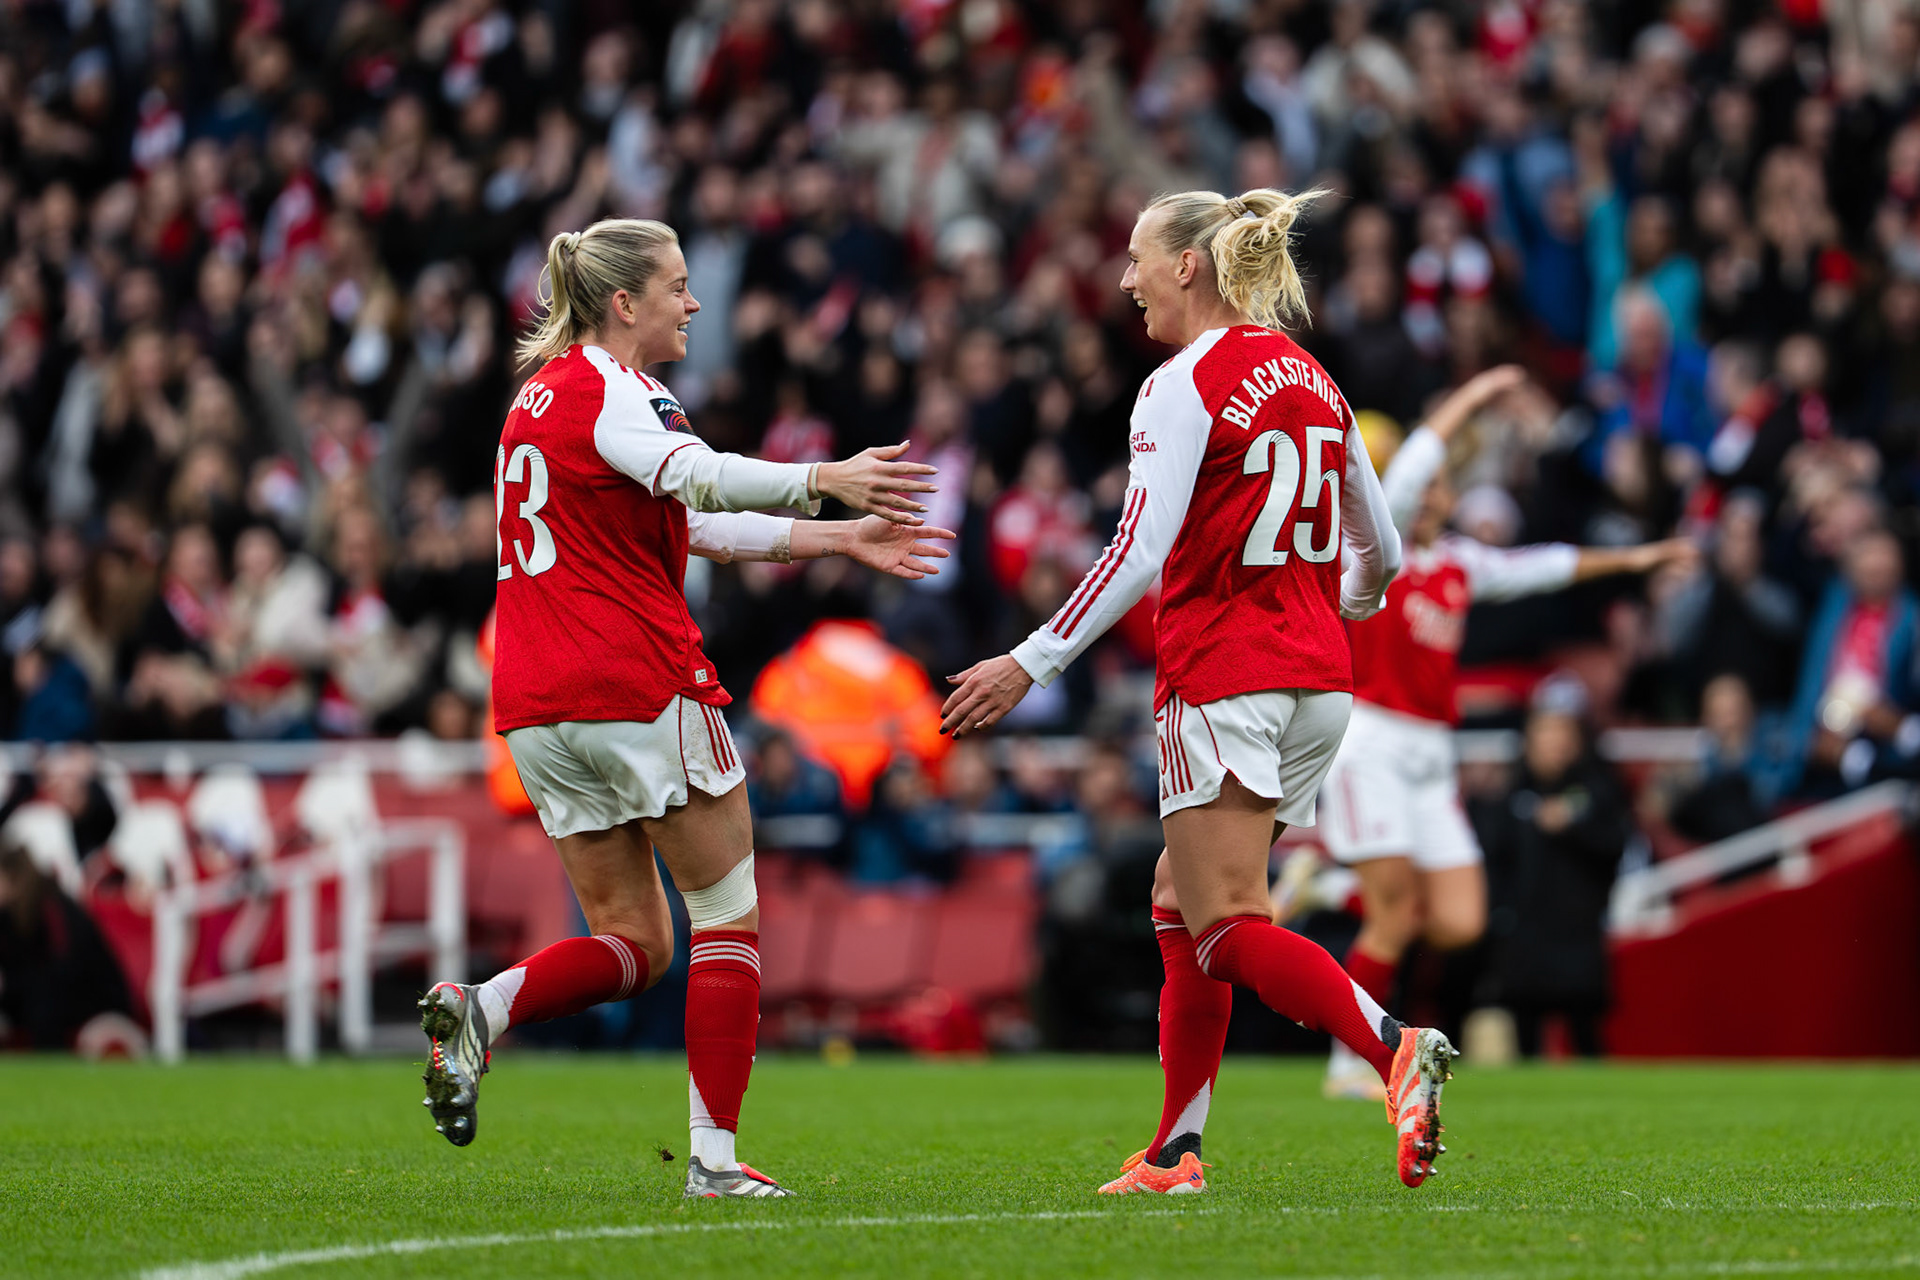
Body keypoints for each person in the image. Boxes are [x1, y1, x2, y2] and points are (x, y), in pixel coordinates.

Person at [416, 218, 955, 1198]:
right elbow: (695, 472)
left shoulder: (535, 402)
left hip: (537, 704)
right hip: (633, 680)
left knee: (637, 941)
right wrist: (820, 481)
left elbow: (692, 522)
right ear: (625, 303)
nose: (693, 302)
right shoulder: (614, 390)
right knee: (726, 917)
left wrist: (840, 541)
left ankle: (482, 1009)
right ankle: (713, 1160)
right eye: (676, 285)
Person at [941, 185, 1451, 1195]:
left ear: (1189, 263)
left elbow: (1135, 554)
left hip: (1225, 676)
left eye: (1136, 258)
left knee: (1224, 923)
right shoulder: (1316, 377)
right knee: (1181, 899)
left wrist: (1029, 659)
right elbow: (1381, 551)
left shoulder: (1182, 383)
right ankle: (1177, 1148)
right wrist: (1338, 599)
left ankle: (1392, 1043)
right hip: (1318, 680)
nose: (1125, 280)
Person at [1309, 365, 1696, 1099]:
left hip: (1431, 753)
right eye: (1436, 488)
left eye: (1447, 490)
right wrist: (1478, 394)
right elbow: (1423, 449)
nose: (1443, 496)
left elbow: (1545, 567)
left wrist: (1637, 559)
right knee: (1397, 918)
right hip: (1374, 741)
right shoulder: (1373, 554)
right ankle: (1347, 1066)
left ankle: (1334, 884)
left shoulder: (1459, 565)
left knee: (1458, 920)